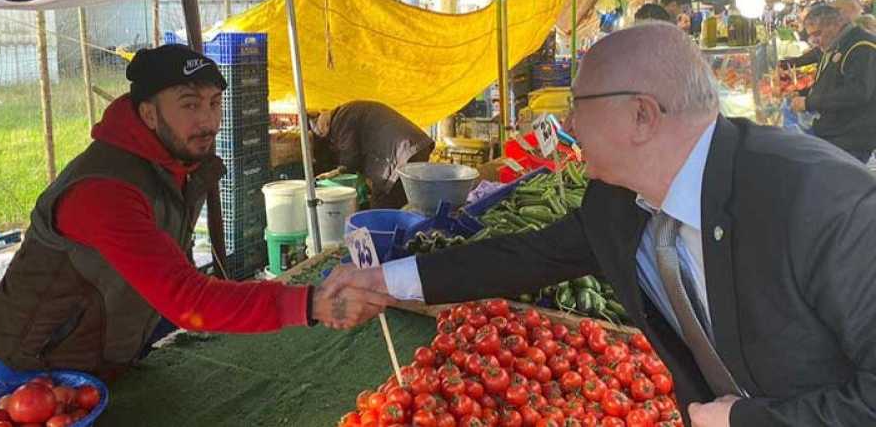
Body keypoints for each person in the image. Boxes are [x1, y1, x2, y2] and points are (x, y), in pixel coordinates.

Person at [321, 23, 876, 426]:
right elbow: (524, 257)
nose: (567, 123)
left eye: (579, 104)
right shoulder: (618, 203)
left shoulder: (818, 199)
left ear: (641, 115)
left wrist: (744, 422)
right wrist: (385, 281)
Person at [0, 45, 388, 386]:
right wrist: (311, 302)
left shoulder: (178, 163)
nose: (208, 121)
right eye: (189, 104)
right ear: (148, 113)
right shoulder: (104, 191)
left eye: (213, 103)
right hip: (32, 372)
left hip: (104, 360)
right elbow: (186, 299)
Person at [790, 4, 876, 162]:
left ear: (836, 24)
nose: (814, 40)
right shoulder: (836, 43)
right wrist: (803, 93)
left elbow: (857, 93)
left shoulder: (863, 46)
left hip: (852, 138)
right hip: (835, 131)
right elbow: (830, 81)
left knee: (843, 182)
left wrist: (809, 102)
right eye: (811, 36)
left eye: (818, 33)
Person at [310, 101, 435, 209]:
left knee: (382, 204)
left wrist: (338, 170)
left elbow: (351, 158)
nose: (331, 140)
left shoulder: (340, 120)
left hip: (403, 153)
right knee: (406, 201)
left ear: (326, 125)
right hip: (415, 147)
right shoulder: (349, 110)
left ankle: (385, 235)